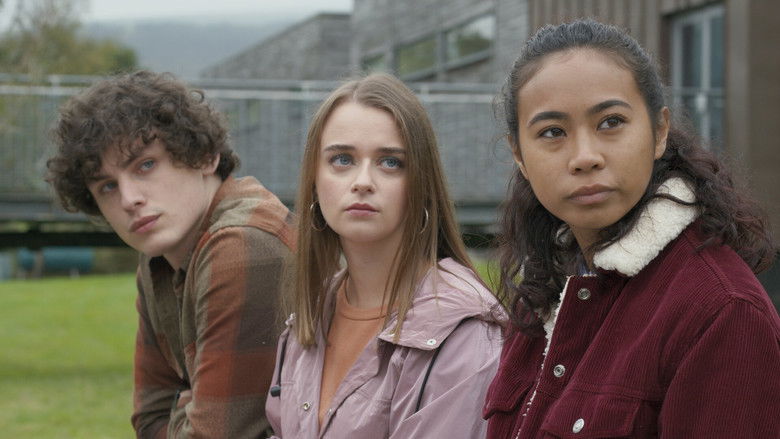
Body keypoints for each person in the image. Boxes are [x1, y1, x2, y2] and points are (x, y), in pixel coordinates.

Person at [482, 19, 780, 438]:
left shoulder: (723, 311)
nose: (585, 157)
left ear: (659, 132)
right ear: (519, 155)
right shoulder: (545, 289)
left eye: (610, 122)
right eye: (552, 132)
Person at [46, 70, 295, 438]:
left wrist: (185, 406)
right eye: (108, 186)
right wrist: (185, 411)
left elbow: (212, 435)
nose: (129, 199)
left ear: (205, 156)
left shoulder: (244, 245)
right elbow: (150, 417)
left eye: (145, 165)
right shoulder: (159, 257)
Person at [265, 73, 505, 438]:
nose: (362, 181)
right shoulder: (310, 315)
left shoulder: (465, 334)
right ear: (314, 180)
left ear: (422, 184)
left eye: (390, 162)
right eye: (342, 159)